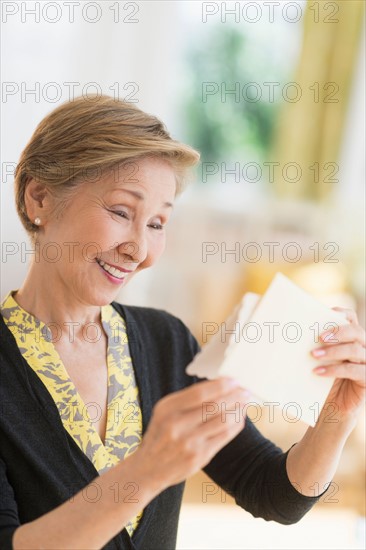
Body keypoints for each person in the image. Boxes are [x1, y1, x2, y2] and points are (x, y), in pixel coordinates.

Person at [0, 95, 365, 550]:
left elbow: (275, 495)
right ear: (40, 197)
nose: (139, 249)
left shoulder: (164, 341)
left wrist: (337, 416)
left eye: (156, 223)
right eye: (120, 212)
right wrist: (149, 468)